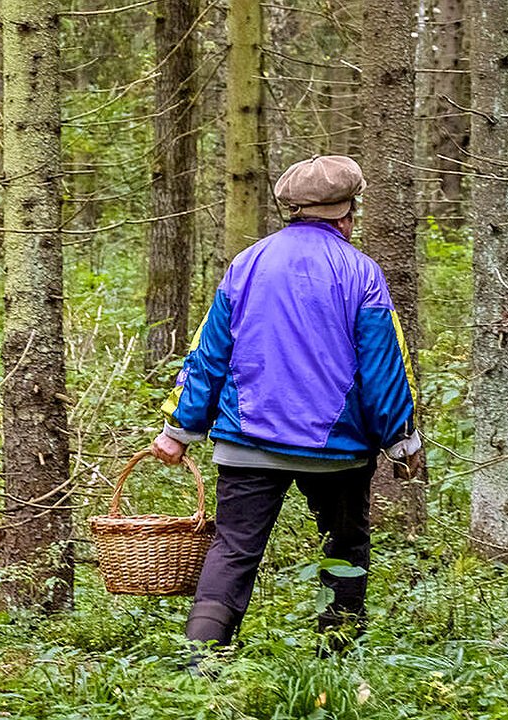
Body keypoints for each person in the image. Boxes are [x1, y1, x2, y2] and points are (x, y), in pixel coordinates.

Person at [150, 155, 423, 654]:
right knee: (345, 548)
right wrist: (403, 444)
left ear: (292, 209)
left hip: (246, 441)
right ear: (347, 212)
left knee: (233, 550)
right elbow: (383, 368)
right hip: (338, 451)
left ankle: (199, 661)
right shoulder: (362, 273)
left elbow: (208, 354)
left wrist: (178, 430)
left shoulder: (246, 264)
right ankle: (337, 659)